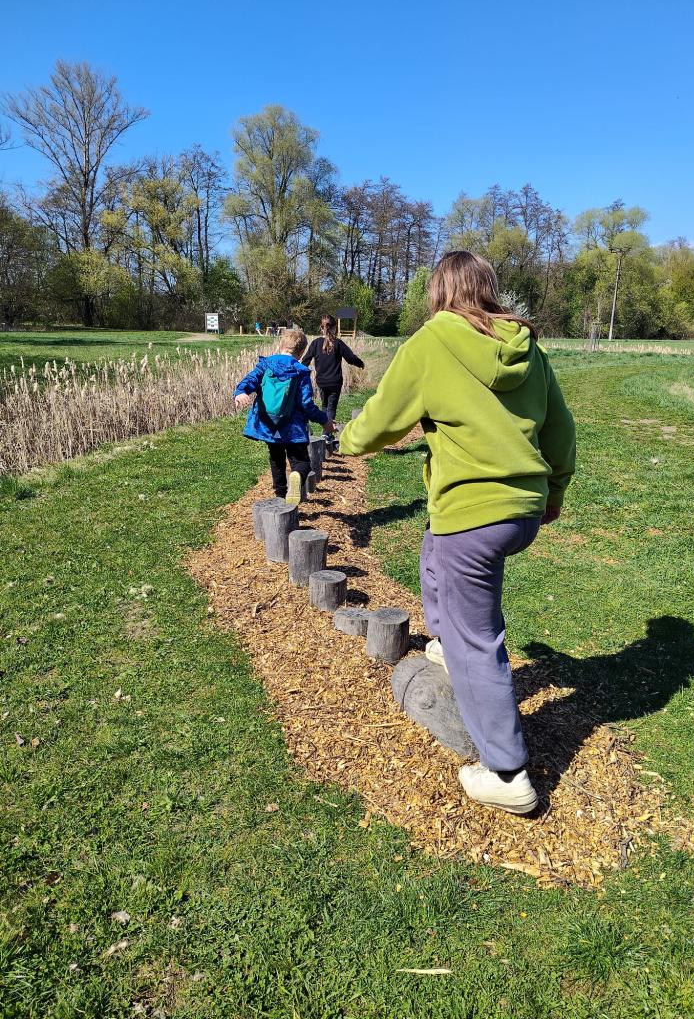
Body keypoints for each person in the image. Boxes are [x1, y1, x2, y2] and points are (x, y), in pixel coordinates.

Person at [340, 251, 576, 815]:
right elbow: (560, 430)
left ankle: (507, 773)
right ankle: (446, 645)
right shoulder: (528, 348)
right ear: (487, 289)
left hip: (473, 515)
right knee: (433, 550)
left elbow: (380, 420)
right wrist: (554, 492)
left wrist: (347, 438)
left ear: (439, 292)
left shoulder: (432, 342)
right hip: (520, 510)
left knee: (479, 641)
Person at [234, 329, 335, 504]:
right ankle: (296, 476)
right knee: (301, 462)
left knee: (276, 458)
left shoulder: (266, 365)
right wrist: (324, 420)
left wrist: (241, 392)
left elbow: (249, 380)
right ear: (301, 352)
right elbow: (306, 404)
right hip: (293, 428)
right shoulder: (300, 371)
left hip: (269, 424)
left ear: (280, 345)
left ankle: (280, 494)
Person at [302, 315, 365, 439]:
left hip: (321, 382)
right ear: (335, 328)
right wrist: (360, 363)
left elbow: (305, 360)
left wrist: (298, 372)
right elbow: (351, 358)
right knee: (331, 407)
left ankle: (325, 431)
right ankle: (327, 433)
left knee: (324, 405)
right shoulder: (338, 343)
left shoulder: (315, 343)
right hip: (335, 382)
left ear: (321, 328)